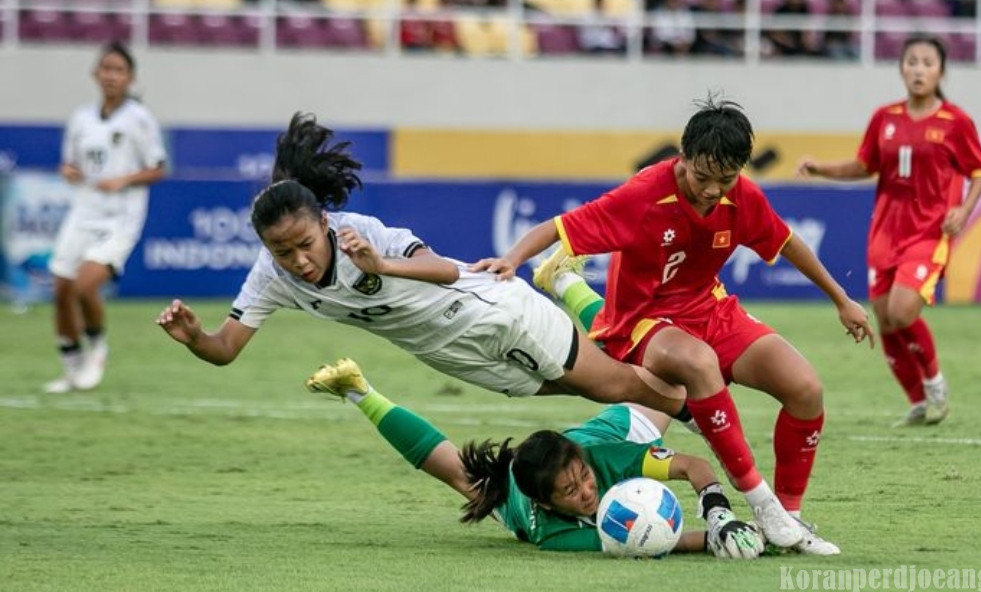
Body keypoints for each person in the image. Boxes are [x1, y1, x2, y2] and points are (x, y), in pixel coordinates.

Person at [470, 95, 875, 554]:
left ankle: (790, 519)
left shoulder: (740, 197)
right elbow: (559, 227)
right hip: (641, 321)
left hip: (709, 307)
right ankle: (762, 504)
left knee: (805, 387)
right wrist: (511, 259)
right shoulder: (644, 195)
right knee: (698, 363)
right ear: (683, 158)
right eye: (702, 178)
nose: (711, 190)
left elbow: (786, 242)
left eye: (725, 179)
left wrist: (841, 300)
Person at [155, 112, 689, 421]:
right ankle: (677, 384)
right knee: (588, 387)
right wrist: (195, 336)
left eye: (304, 244)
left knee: (613, 386)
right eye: (282, 252)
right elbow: (225, 348)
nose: (298, 261)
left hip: (491, 312)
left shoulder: (360, 233)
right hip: (452, 355)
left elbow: (446, 271)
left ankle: (707, 415)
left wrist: (380, 263)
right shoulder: (272, 277)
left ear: (323, 220)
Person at [305, 356, 764, 558]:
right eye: (571, 491)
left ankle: (565, 281)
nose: (586, 491)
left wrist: (721, 517)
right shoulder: (548, 531)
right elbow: (658, 542)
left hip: (612, 431)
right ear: (546, 503)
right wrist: (719, 544)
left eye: (582, 479)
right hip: (523, 479)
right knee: (454, 472)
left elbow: (692, 467)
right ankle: (358, 390)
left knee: (666, 381)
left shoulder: (601, 457)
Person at [797, 35, 981, 428]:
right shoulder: (885, 117)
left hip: (929, 231)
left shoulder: (955, 122)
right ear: (902, 68)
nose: (919, 70)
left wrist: (965, 210)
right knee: (884, 319)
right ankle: (918, 402)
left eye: (927, 63)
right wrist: (822, 169)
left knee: (903, 311)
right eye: (912, 62)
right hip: (885, 232)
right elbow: (864, 165)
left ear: (941, 71)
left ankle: (934, 379)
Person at [45, 41, 168, 393]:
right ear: (96, 74)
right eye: (106, 69)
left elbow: (158, 168)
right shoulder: (81, 118)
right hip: (83, 210)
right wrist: (68, 171)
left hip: (120, 218)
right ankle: (71, 366)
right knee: (61, 287)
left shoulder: (139, 119)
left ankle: (97, 348)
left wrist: (124, 179)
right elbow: (71, 163)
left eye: (119, 70)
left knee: (85, 284)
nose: (111, 75)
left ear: (130, 77)